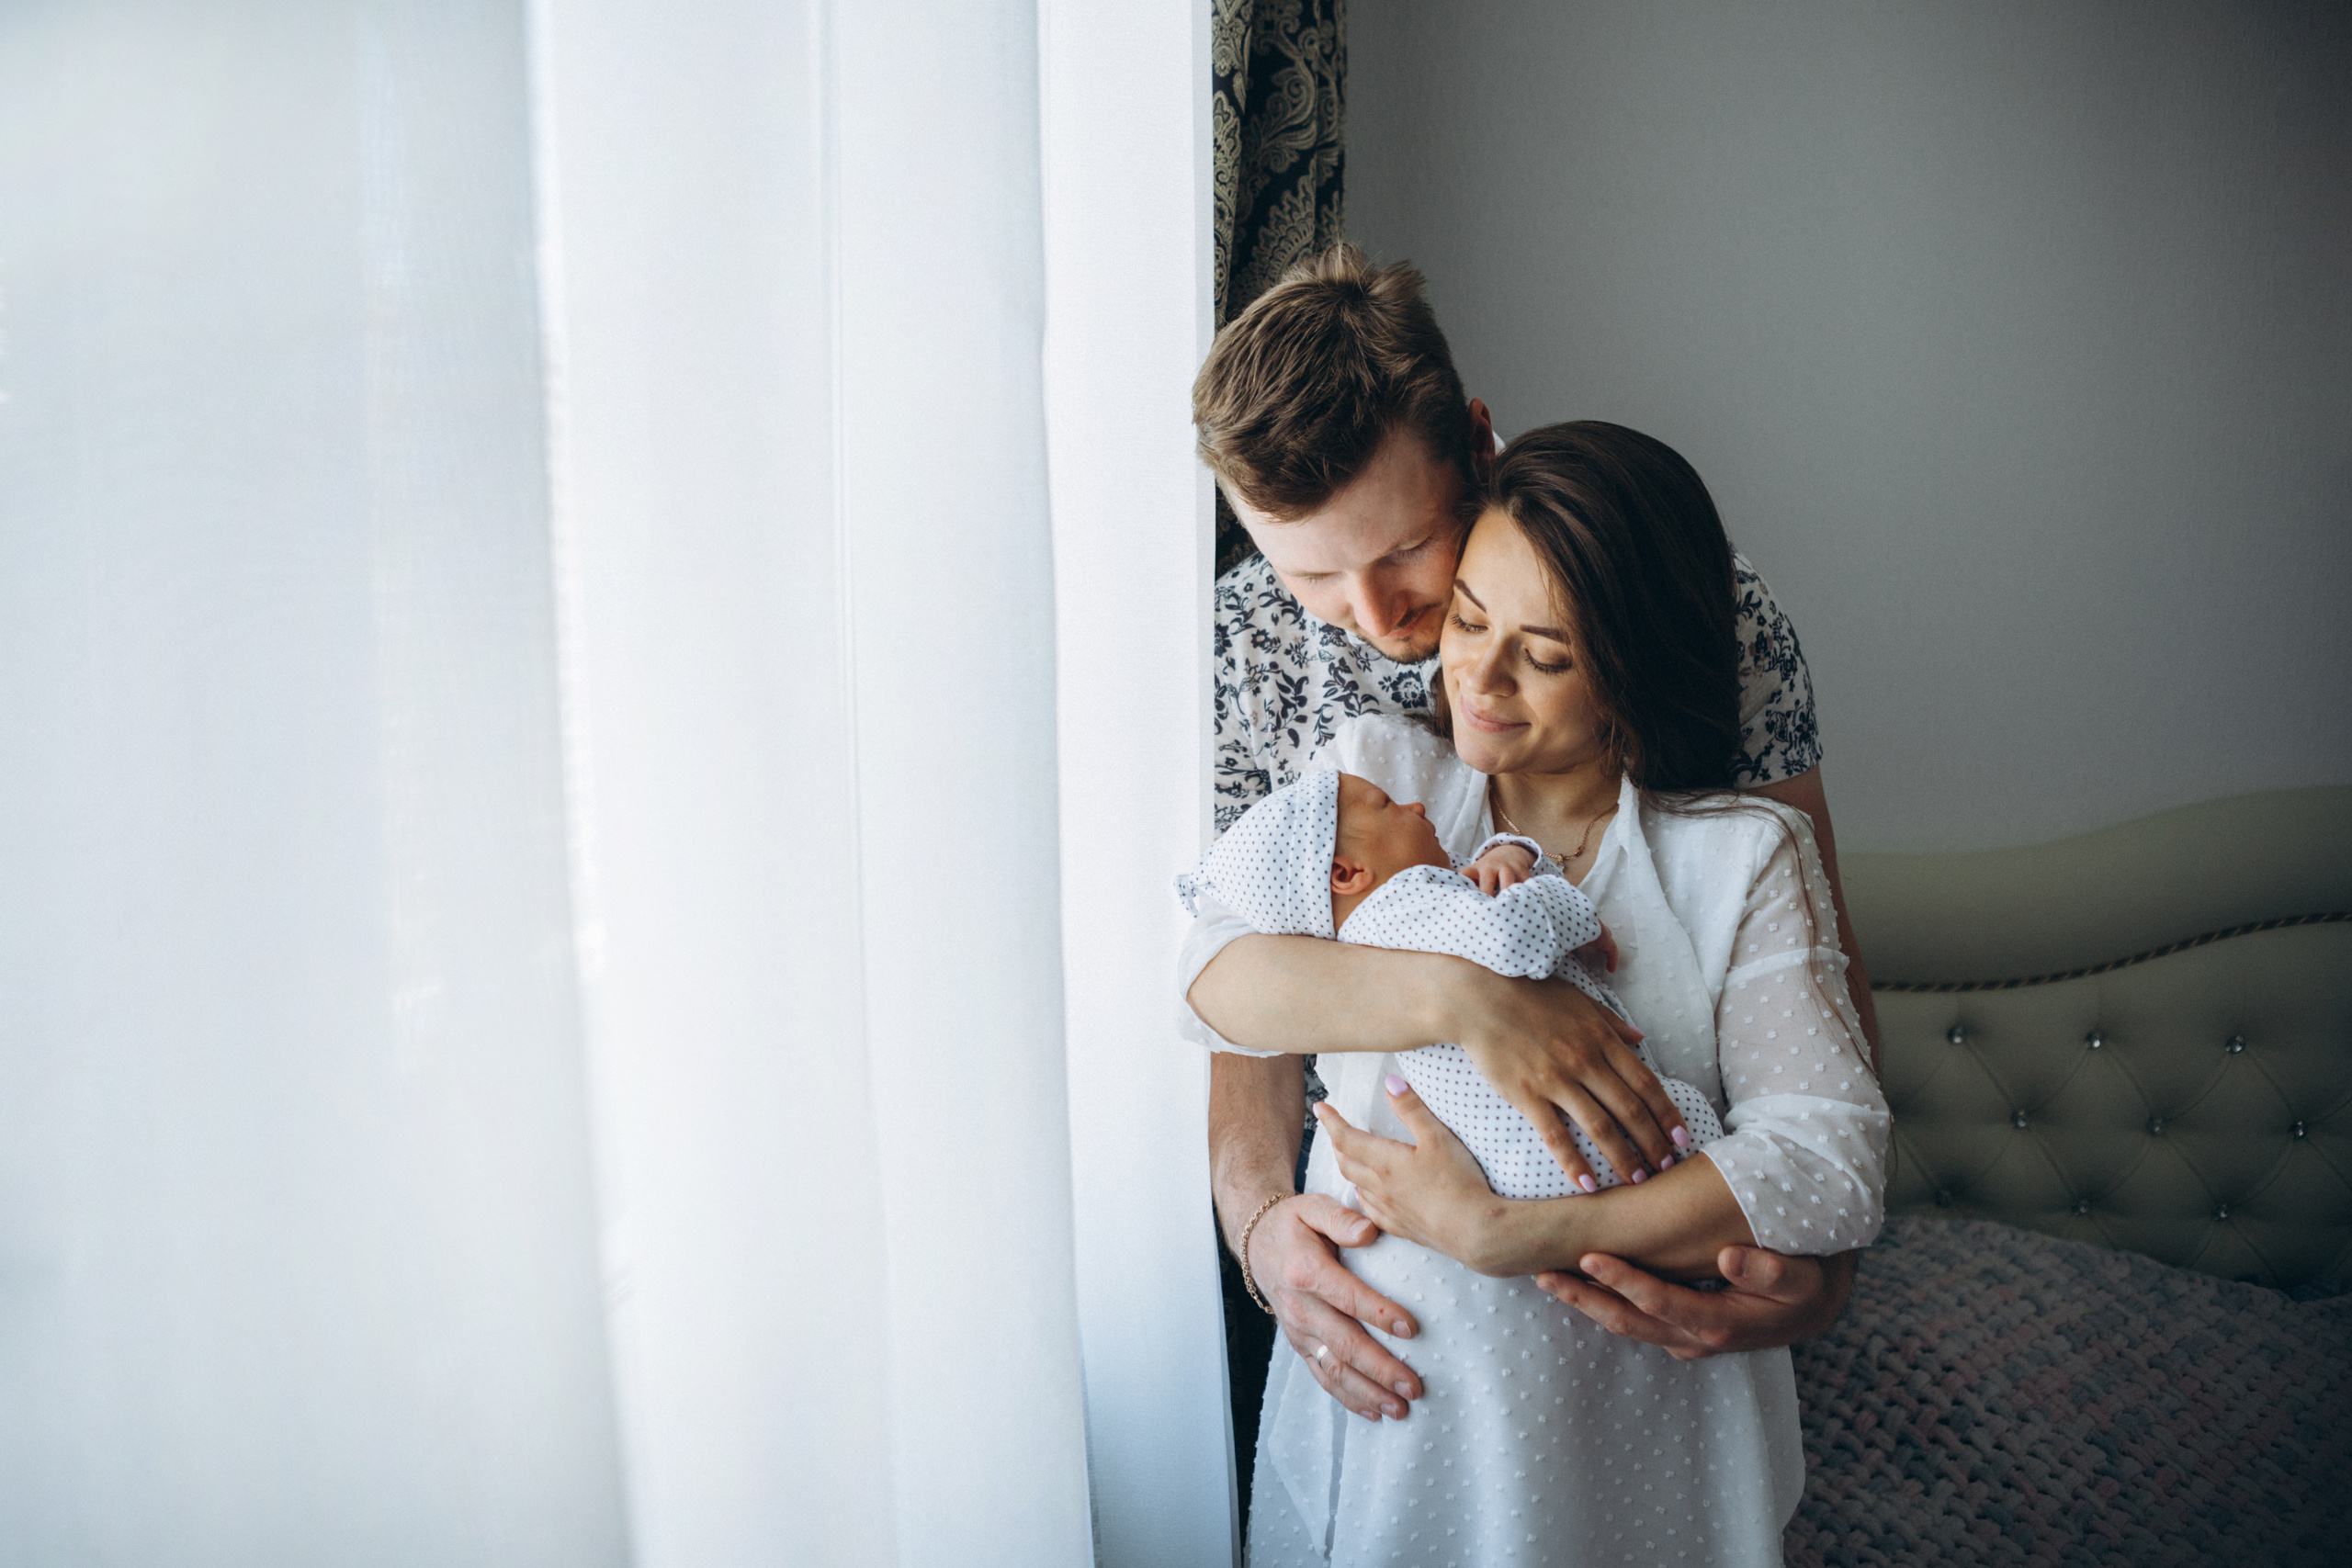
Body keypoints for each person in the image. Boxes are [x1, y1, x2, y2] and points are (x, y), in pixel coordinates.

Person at [1185, 244, 1882, 1457]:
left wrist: (1823, 1271)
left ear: (1476, 444)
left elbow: (1810, 959)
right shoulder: (1244, 654)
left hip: (1658, 1238)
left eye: (1406, 553)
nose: (1376, 616)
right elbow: (1231, 989)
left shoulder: (1697, 607)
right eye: (1312, 573)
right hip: (1380, 1244)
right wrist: (1260, 1226)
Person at [1175, 767, 1726, 1201]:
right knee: (1692, 1124)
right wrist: (1567, 907)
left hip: (1519, 1159)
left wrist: (1508, 856)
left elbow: (1476, 897)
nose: (1416, 806)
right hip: (1555, 1137)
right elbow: (1511, 936)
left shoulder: (1377, 928)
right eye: (1387, 806)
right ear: (1347, 873)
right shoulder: (1401, 902)